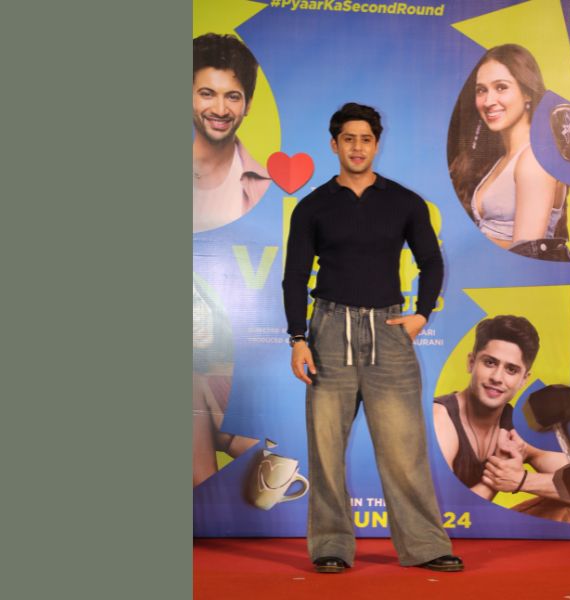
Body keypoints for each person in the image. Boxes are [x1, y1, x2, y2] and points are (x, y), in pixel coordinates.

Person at [282, 103, 463, 573]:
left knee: (404, 448)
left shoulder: (404, 202)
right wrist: (298, 338)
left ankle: (425, 546)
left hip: (389, 332)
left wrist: (422, 314)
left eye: (366, 139)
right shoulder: (313, 206)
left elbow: (431, 262)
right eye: (349, 138)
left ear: (377, 145)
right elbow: (294, 276)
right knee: (326, 449)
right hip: (328, 332)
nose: (357, 147)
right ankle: (330, 546)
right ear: (334, 144)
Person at [433, 315, 570, 525]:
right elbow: (440, 515)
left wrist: (521, 480)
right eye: (490, 362)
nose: (497, 377)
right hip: (440, 534)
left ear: (524, 380)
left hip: (484, 528)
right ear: (471, 362)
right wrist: (496, 477)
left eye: (511, 369)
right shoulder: (440, 418)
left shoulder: (517, 428)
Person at [448, 44, 570, 261]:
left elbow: (527, 253)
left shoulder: (534, 158)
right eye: (481, 90)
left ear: (526, 93)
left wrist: (464, 243)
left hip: (513, 277)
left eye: (501, 87)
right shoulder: (504, 159)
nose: (488, 101)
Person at [193, 33, 270, 233]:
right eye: (207, 94)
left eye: (233, 97)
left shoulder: (264, 187)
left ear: (248, 104)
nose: (220, 110)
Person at [192, 276, 259, 487]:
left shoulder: (256, 353)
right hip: (286, 486)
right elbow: (204, 484)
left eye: (194, 301)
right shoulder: (195, 385)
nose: (195, 318)